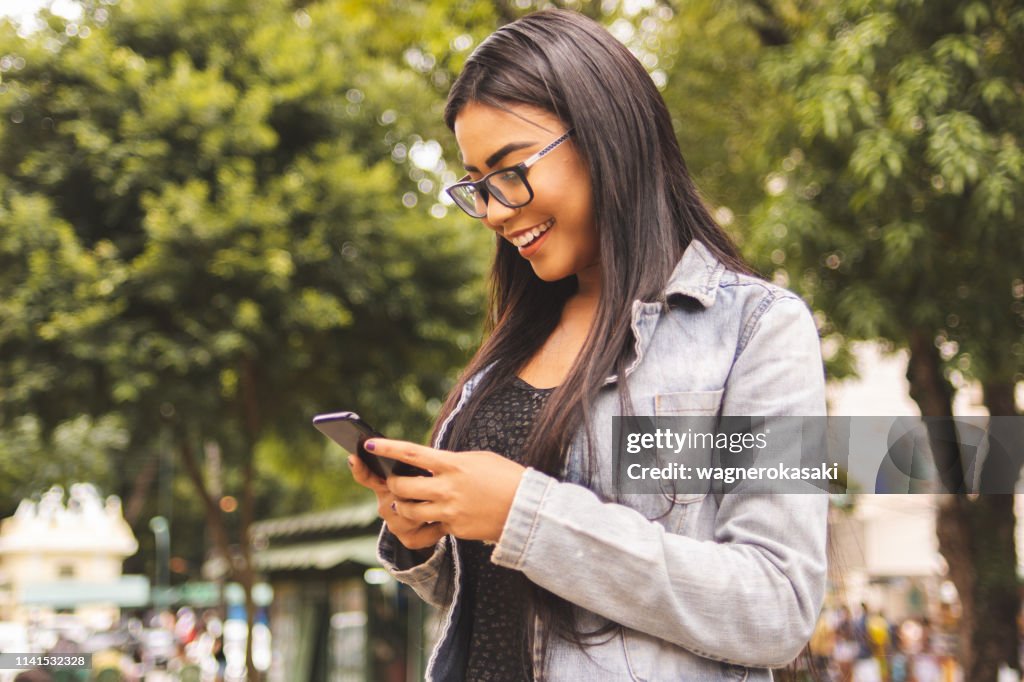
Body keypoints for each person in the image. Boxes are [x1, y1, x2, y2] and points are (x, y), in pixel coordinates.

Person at [350, 9, 828, 681]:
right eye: (476, 186)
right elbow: (506, 603)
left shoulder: (754, 331)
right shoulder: (516, 340)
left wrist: (526, 513)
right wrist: (422, 538)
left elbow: (777, 606)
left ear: (607, 135)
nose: (492, 210)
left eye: (509, 170)